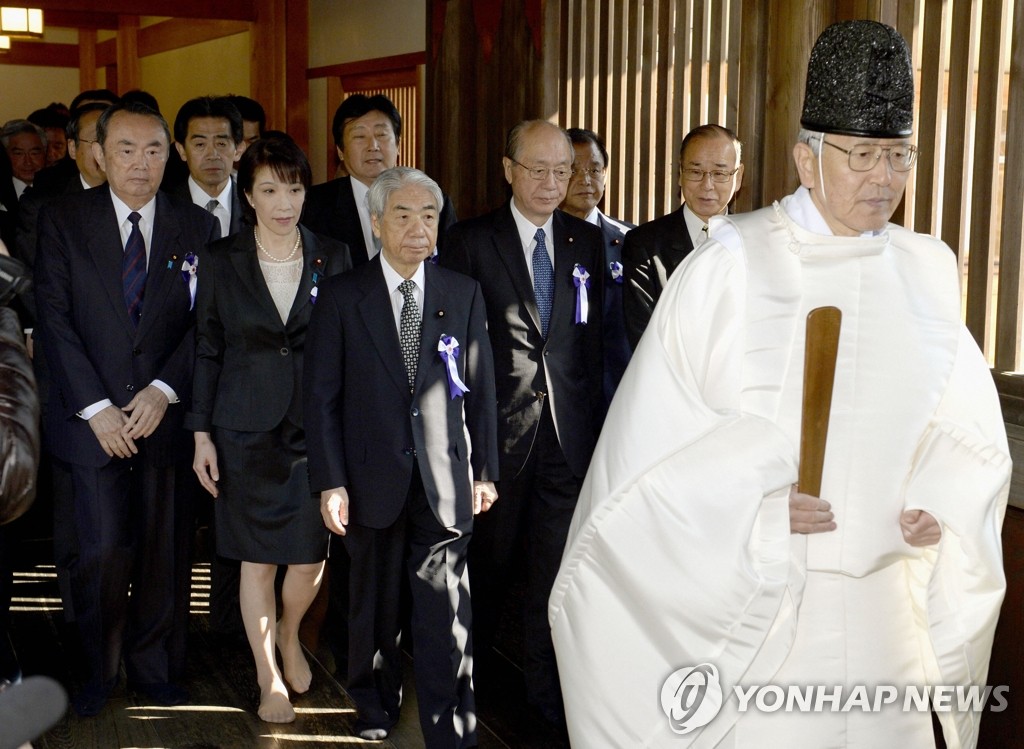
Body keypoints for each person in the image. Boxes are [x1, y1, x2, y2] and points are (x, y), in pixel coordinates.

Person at [549, 21, 1011, 749]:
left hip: (889, 616)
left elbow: (964, 435)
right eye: (862, 155)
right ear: (806, 157)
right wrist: (755, 511)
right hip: (768, 616)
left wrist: (941, 508)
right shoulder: (733, 266)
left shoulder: (926, 270)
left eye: (899, 156)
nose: (884, 178)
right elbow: (646, 474)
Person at [33, 99, 219, 717]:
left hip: (163, 416)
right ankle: (95, 672)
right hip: (91, 425)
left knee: (166, 555)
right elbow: (53, 320)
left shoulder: (198, 226)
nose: (141, 164)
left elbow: (206, 326)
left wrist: (164, 392)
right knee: (101, 553)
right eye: (126, 150)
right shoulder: (63, 218)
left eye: (155, 150)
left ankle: (155, 667)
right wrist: (96, 406)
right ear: (98, 155)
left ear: (172, 156)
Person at [304, 166, 497, 746]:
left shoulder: (461, 292)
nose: (419, 229)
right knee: (373, 606)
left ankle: (451, 724)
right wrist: (330, 481)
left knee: (446, 612)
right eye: (404, 215)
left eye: (430, 216)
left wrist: (484, 472)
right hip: (368, 478)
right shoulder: (343, 295)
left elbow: (481, 389)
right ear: (377, 221)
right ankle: (372, 705)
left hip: (444, 479)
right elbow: (320, 397)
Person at [441, 119, 605, 729]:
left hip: (567, 441)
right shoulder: (469, 241)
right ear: (508, 170)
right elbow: (449, 347)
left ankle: (546, 703)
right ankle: (467, 692)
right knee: (486, 571)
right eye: (536, 169)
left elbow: (589, 351)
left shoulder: (586, 244)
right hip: (496, 441)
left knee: (554, 579)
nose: (550, 181)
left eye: (562, 170)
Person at [188, 134, 351, 723]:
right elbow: (207, 347)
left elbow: (347, 349)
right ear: (247, 194)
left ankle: (289, 632)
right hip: (243, 428)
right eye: (270, 189)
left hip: (314, 429)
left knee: (310, 558)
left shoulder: (334, 254)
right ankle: (267, 675)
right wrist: (201, 433)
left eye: (296, 187)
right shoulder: (220, 259)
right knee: (255, 560)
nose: (285, 202)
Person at [622, 123, 743, 349]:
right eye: (696, 172)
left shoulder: (754, 241)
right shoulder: (644, 244)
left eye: (719, 173)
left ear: (738, 176)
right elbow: (644, 336)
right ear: (680, 174)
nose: (707, 185)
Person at [303, 94, 457, 266]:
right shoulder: (313, 205)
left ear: (398, 145)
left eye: (382, 134)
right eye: (360, 137)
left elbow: (449, 272)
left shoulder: (434, 202)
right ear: (340, 150)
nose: (373, 146)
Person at [561, 127, 634, 403]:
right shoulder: (538, 243)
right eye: (573, 170)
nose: (585, 180)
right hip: (559, 397)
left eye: (594, 170)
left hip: (618, 394)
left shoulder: (631, 241)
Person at [171, 96, 246, 238]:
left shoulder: (255, 206)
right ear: (181, 150)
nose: (212, 155)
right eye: (200, 144)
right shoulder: (163, 209)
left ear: (239, 149)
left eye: (221, 144)